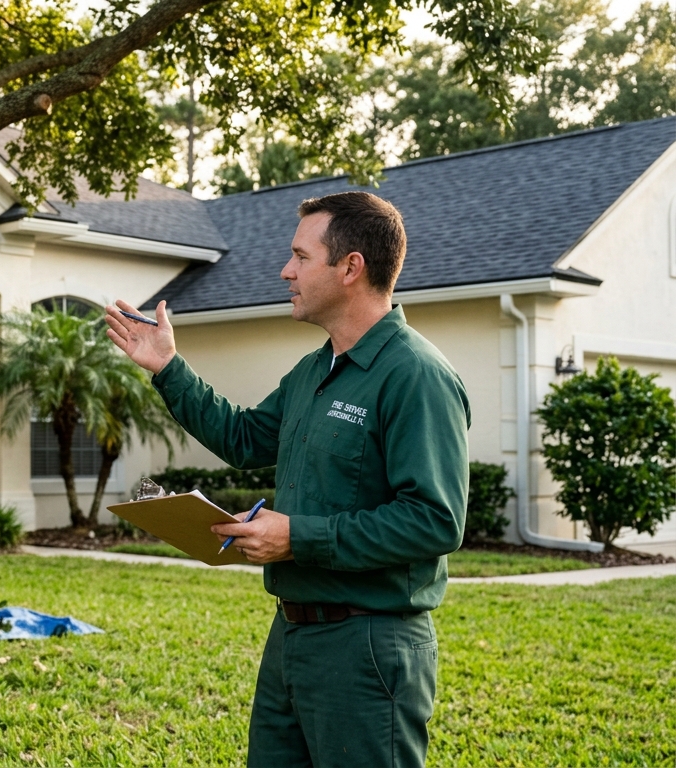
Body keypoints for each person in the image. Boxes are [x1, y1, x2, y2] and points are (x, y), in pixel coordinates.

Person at [106, 191, 470, 768]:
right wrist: (169, 369)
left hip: (368, 646)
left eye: (300, 256)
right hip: (291, 638)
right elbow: (245, 439)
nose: (285, 270)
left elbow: (435, 521)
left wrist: (297, 537)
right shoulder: (315, 369)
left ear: (351, 267)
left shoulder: (415, 376)